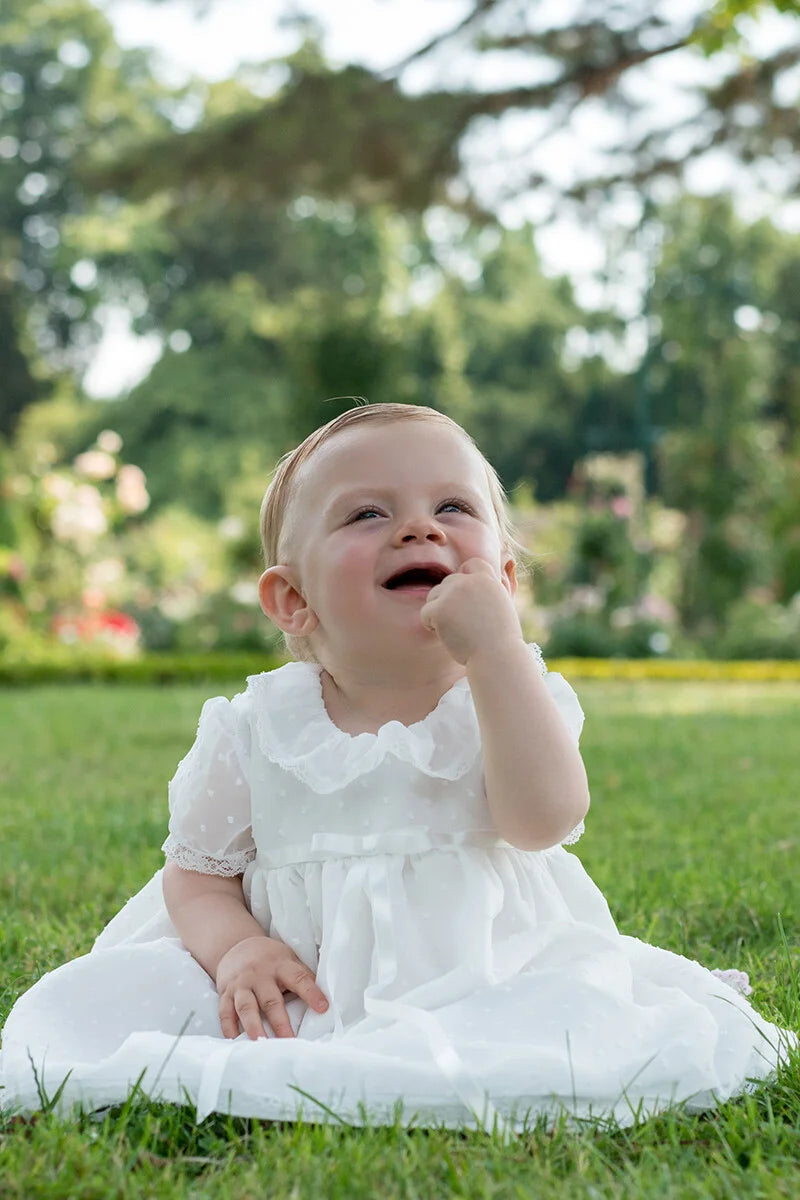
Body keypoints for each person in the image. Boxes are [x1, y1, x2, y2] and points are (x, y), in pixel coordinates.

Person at [0, 402, 795, 1135]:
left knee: (559, 1030)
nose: (419, 529)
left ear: (505, 581)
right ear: (291, 600)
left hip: (485, 971)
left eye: (453, 507)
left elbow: (543, 820)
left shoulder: (508, 695)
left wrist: (497, 654)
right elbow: (196, 877)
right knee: (117, 1012)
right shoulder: (257, 728)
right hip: (304, 983)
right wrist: (237, 947)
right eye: (367, 513)